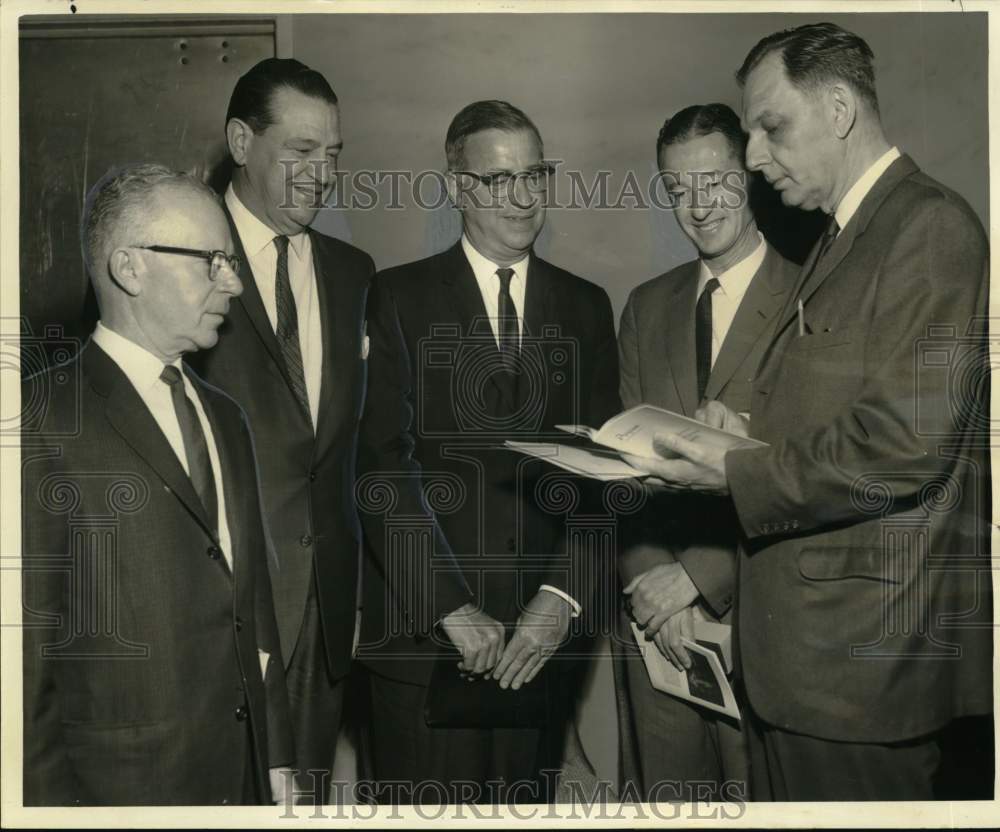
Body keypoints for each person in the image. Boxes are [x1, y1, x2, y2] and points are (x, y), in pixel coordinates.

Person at [622, 22, 992, 801]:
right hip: (805, 667)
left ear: (839, 110)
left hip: (858, 674)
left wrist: (736, 466)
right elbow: (844, 416)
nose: (755, 156)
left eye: (771, 127)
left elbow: (904, 445)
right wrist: (749, 434)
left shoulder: (928, 226)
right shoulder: (843, 237)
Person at [357, 100, 620, 803]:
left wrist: (561, 598)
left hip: (539, 648)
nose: (524, 196)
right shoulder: (397, 296)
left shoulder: (586, 306)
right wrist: (448, 606)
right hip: (422, 646)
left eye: (535, 174)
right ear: (457, 188)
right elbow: (380, 466)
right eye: (500, 179)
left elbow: (605, 476)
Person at [21, 163, 294, 805]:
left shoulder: (225, 417)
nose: (234, 283)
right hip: (121, 792)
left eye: (233, 262)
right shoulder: (37, 422)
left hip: (243, 780)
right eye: (212, 261)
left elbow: (253, 605)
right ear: (130, 268)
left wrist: (278, 756)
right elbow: (22, 667)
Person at [186, 58, 375, 803]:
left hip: (325, 615)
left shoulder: (355, 273)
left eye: (333, 153)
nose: (322, 174)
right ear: (241, 141)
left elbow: (349, 451)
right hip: (219, 610)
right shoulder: (178, 259)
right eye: (301, 150)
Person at [614, 103, 797, 801]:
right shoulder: (645, 306)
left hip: (762, 622)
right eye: (677, 188)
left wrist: (694, 580)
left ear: (750, 174)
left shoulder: (809, 298)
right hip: (655, 633)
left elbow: (811, 475)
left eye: (716, 180)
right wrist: (653, 588)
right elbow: (622, 475)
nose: (698, 205)